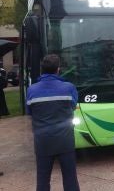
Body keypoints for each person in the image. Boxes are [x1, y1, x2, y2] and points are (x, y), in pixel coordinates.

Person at [26, 54, 80, 191]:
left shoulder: (31, 90)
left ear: (42, 69)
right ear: (58, 69)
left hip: (43, 141)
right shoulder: (69, 87)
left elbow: (30, 112)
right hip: (65, 140)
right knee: (70, 178)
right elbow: (73, 106)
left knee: (43, 179)